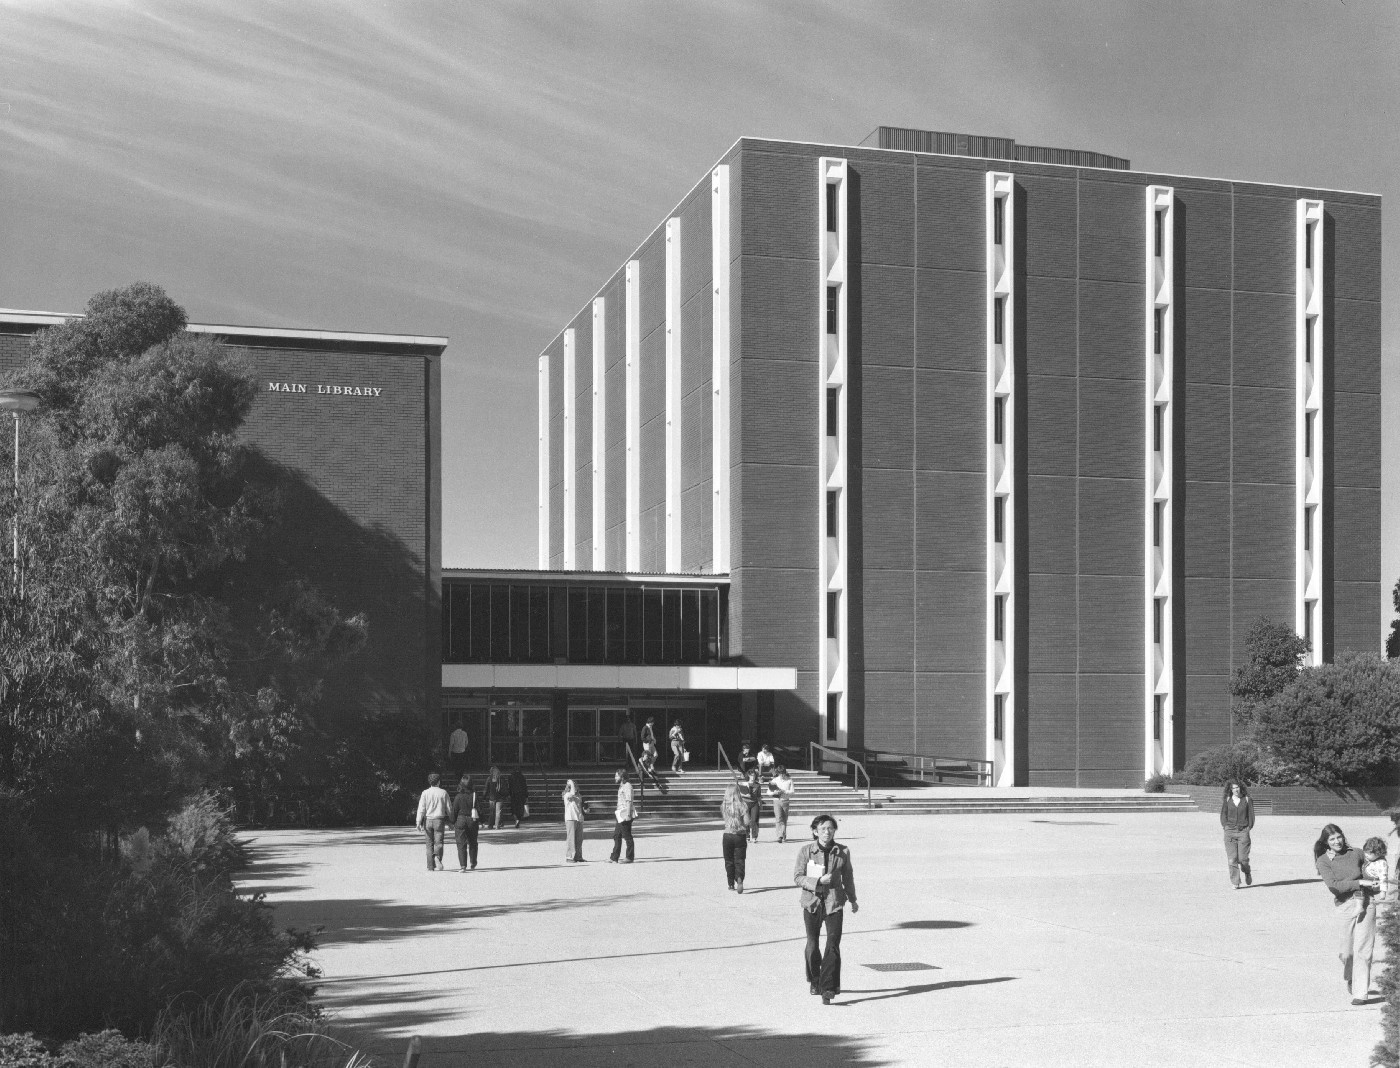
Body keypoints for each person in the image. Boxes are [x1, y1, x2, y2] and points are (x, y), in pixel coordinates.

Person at [794, 814, 858, 1004]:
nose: (827, 832)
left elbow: (848, 877)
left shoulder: (843, 852)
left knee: (832, 945)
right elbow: (797, 877)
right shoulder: (806, 851)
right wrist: (817, 882)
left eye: (830, 828)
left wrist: (853, 899)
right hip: (812, 903)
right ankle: (815, 979)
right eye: (822, 829)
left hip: (834, 903)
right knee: (812, 945)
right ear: (815, 831)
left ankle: (828, 987)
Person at [1314, 823, 1381, 1005]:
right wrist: (1359, 882)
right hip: (1345, 905)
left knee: (1363, 950)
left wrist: (1374, 881)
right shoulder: (1324, 861)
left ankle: (1360, 993)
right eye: (1332, 839)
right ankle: (1351, 976)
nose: (1337, 841)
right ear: (1326, 842)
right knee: (1346, 953)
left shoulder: (1357, 853)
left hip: (1366, 902)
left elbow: (1372, 872)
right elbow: (1335, 887)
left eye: (1339, 837)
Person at [1220, 780, 1255, 889]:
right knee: (1232, 859)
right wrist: (1225, 826)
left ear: (1241, 788)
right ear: (1230, 789)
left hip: (1243, 831)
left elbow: (1251, 816)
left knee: (1243, 859)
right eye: (1233, 788)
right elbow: (1223, 814)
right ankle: (1235, 882)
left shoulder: (1247, 799)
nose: (1236, 789)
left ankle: (1247, 871)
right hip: (1229, 832)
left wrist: (1248, 828)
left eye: (1237, 787)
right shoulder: (1227, 800)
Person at [415, 772, 451, 872]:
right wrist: (451, 820)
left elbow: (421, 808)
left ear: (429, 782)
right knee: (439, 842)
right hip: (439, 819)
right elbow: (449, 808)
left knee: (429, 843)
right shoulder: (443, 792)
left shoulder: (425, 793)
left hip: (428, 820)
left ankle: (430, 866)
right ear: (439, 782)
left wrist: (418, 821)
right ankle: (437, 857)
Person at [720, 782, 750, 892]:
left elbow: (726, 819)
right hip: (740, 835)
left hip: (727, 834)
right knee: (740, 859)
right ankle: (739, 878)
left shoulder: (724, 805)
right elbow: (747, 822)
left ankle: (730, 883)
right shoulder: (743, 805)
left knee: (729, 860)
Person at [451, 775, 480, 871]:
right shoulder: (474, 795)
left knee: (461, 843)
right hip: (472, 820)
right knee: (473, 842)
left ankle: (463, 865)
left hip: (460, 819)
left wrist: (452, 821)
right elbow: (479, 809)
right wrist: (483, 820)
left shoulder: (458, 796)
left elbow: (454, 810)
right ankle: (473, 863)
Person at [609, 767, 636, 863]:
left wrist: (628, 815)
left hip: (625, 813)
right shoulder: (621, 786)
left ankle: (629, 857)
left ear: (622, 776)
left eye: (616, 776)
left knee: (627, 835)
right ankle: (614, 857)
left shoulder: (627, 786)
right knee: (617, 835)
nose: (615, 777)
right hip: (619, 814)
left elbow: (629, 801)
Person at [563, 779, 588, 863]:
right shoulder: (567, 795)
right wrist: (571, 783)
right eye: (574, 786)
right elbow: (572, 793)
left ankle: (578, 856)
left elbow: (580, 807)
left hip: (578, 818)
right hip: (570, 818)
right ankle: (569, 856)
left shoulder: (579, 796)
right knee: (571, 838)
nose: (576, 787)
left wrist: (584, 811)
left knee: (579, 839)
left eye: (576, 786)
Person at [768, 765, 795, 843]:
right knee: (778, 818)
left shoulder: (789, 780)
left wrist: (784, 791)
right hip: (776, 800)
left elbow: (792, 791)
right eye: (780, 773)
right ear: (778, 773)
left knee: (784, 819)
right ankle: (779, 835)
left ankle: (783, 834)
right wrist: (774, 792)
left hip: (785, 800)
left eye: (783, 773)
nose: (782, 775)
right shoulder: (774, 780)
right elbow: (768, 792)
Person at [740, 768, 763, 843]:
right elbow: (740, 794)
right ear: (748, 776)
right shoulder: (744, 784)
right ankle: (747, 835)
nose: (752, 777)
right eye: (751, 776)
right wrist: (746, 795)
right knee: (746, 820)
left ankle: (754, 836)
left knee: (754, 820)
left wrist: (761, 804)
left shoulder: (757, 785)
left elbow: (759, 795)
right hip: (746, 803)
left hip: (754, 803)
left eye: (754, 775)